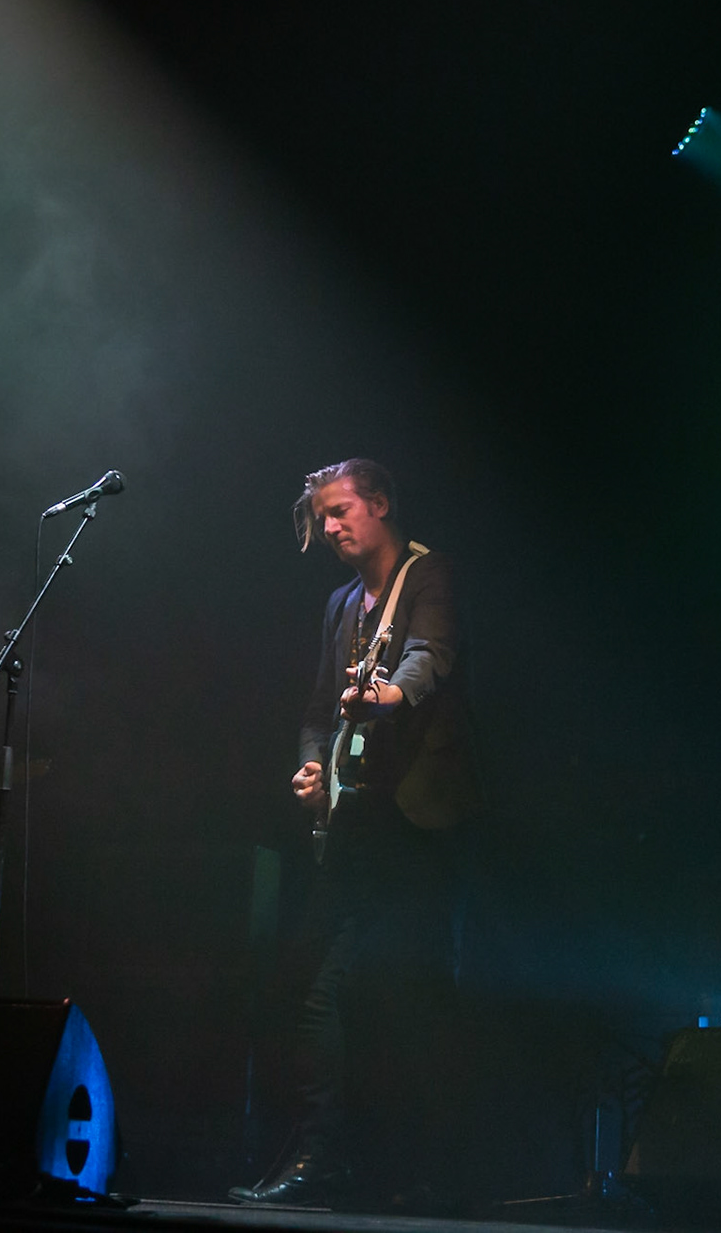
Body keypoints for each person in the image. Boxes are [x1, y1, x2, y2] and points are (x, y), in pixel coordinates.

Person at [230, 458, 479, 1209]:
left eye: (341, 511)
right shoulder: (342, 602)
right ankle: (326, 1157)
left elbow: (429, 655)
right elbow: (316, 710)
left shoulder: (430, 577)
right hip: (356, 824)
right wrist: (312, 772)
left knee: (407, 992)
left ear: (380, 504)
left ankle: (411, 1170)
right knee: (316, 989)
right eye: (324, 516)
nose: (331, 527)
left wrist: (389, 695)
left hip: (419, 825)